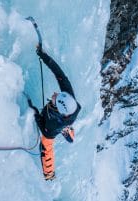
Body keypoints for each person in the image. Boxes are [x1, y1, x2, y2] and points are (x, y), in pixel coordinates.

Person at [28, 46, 81, 180]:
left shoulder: (52, 126)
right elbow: (59, 74)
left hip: (58, 125)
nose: (55, 94)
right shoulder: (68, 96)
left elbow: (47, 148)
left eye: (55, 98)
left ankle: (49, 174)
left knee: (46, 145)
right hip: (66, 118)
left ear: (58, 109)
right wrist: (44, 56)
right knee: (65, 126)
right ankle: (67, 129)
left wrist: (35, 114)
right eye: (58, 94)